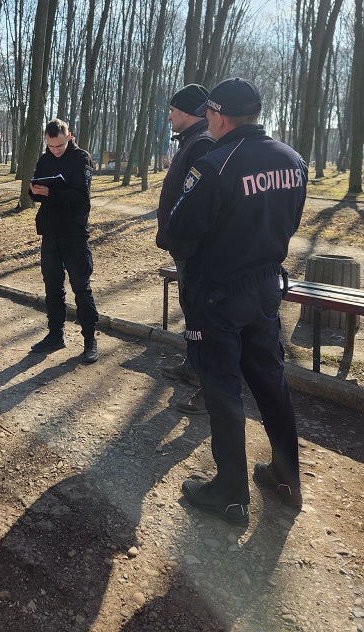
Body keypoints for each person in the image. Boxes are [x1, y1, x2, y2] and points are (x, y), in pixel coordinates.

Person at [165, 77, 307, 526]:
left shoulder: (214, 165)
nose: (208, 122)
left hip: (219, 295)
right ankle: (286, 478)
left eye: (209, 115)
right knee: (270, 382)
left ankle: (229, 492)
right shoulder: (293, 160)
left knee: (222, 389)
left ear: (220, 116)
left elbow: (179, 235)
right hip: (266, 289)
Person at [156, 84, 214, 415]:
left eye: (174, 110)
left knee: (199, 313)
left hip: (193, 248)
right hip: (183, 245)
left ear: (190, 113)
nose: (169, 115)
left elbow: (197, 200)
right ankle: (192, 366)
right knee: (190, 309)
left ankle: (206, 382)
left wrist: (182, 238)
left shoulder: (202, 142)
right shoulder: (191, 141)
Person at [29, 119, 99, 363]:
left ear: (68, 137)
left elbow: (82, 197)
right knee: (53, 287)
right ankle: (55, 335)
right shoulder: (44, 158)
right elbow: (35, 186)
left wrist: (52, 193)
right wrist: (34, 190)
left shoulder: (82, 159)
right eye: (51, 146)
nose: (55, 150)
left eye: (59, 145)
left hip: (74, 233)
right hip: (50, 232)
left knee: (81, 286)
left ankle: (90, 339)